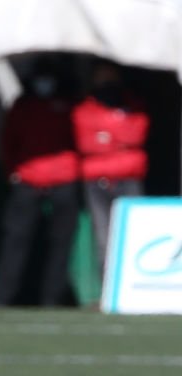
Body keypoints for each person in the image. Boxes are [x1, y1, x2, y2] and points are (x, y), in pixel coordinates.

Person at [0, 59, 80, 306]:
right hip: (28, 181)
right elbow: (8, 141)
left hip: (63, 180)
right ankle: (1, 299)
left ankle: (52, 299)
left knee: (60, 245)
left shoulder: (68, 105)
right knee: (15, 242)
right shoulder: (22, 106)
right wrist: (14, 172)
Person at [72, 59, 148, 283]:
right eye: (101, 75)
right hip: (97, 180)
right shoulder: (85, 108)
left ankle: (135, 283)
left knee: (135, 232)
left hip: (129, 176)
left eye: (110, 75)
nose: (106, 81)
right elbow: (86, 143)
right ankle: (108, 288)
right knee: (104, 235)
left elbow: (136, 135)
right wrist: (117, 137)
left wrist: (106, 135)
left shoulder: (132, 104)